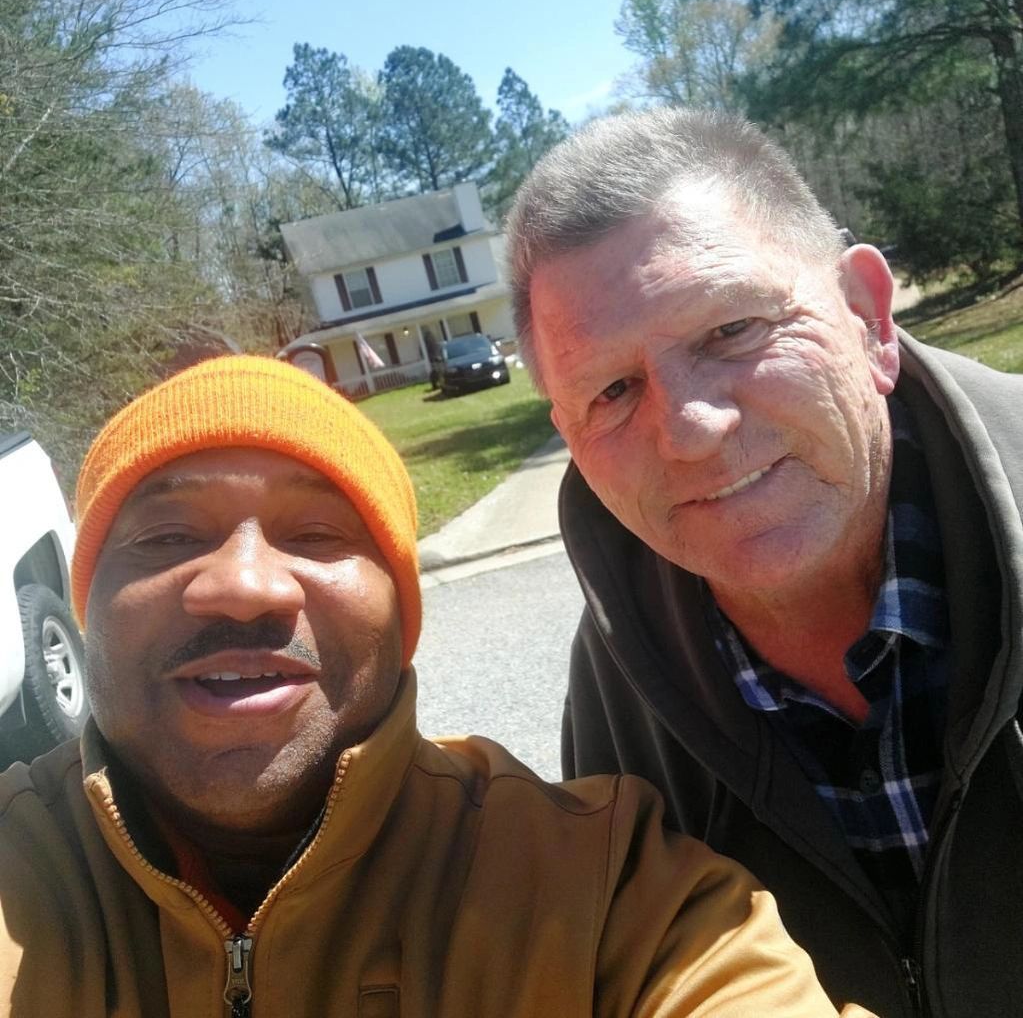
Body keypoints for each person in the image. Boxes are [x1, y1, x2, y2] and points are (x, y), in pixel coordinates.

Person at [0, 355, 865, 1017]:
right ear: (85, 607)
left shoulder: (607, 893)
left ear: (401, 615)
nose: (246, 583)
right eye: (164, 537)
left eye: (316, 532)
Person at [505, 108, 1023, 1018]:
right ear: (572, 440)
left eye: (731, 329)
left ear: (867, 316)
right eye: (614, 390)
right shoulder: (621, 684)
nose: (691, 428)